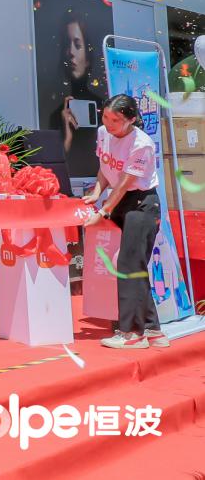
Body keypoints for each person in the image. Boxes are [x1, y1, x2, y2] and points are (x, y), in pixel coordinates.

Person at [83, 94, 170, 349]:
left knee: (128, 264)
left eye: (116, 120)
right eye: (105, 117)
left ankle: (132, 334)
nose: (109, 124)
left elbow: (124, 183)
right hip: (118, 201)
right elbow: (106, 167)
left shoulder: (141, 144)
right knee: (134, 265)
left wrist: (103, 211)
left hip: (141, 204)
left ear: (131, 120)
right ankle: (153, 330)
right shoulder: (103, 133)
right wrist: (97, 192)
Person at [45, 14, 107, 177]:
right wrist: (67, 138)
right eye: (67, 45)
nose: (71, 52)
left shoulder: (105, 109)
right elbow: (53, 171)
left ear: (88, 58)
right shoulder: (57, 116)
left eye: (78, 45)